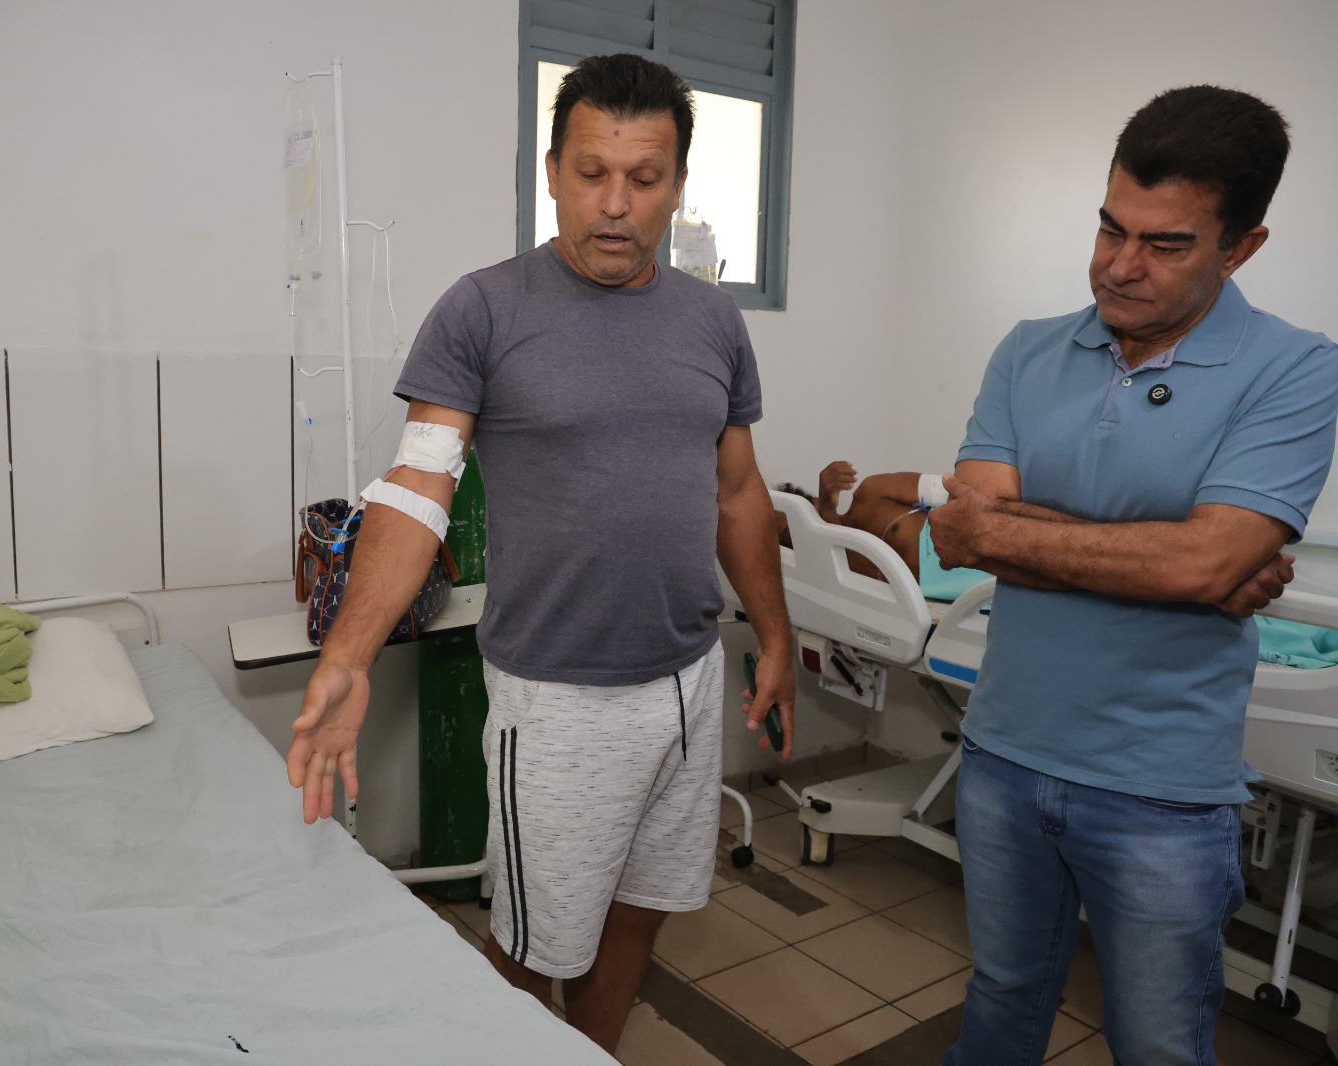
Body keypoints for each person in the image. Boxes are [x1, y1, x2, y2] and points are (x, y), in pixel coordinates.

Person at [285, 53, 794, 1054]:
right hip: (558, 702)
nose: (616, 204)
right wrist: (347, 654)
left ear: (678, 185)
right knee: (532, 946)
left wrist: (773, 637)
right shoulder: (485, 309)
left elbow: (738, 492)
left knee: (642, 911)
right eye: (591, 173)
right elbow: (416, 489)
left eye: (644, 178)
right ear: (553, 171)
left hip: (688, 681)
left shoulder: (711, 319)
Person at [928, 85, 1338, 1065]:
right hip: (1001, 752)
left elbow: (1188, 558)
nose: (1119, 265)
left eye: (1165, 244)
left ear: (1240, 247)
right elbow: (968, 535)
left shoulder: (1295, 368)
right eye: (1111, 227)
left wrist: (1199, 563)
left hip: (1162, 791)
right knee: (999, 1004)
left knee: (1157, 1045)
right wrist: (1187, 563)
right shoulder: (1028, 350)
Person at [777, 460, 987, 600]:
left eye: (798, 524)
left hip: (989, 548)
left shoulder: (874, 493)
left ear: (814, 502)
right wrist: (828, 516)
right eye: (790, 539)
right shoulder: (844, 578)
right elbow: (840, 552)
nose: (801, 536)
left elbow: (960, 492)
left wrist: (828, 513)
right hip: (979, 602)